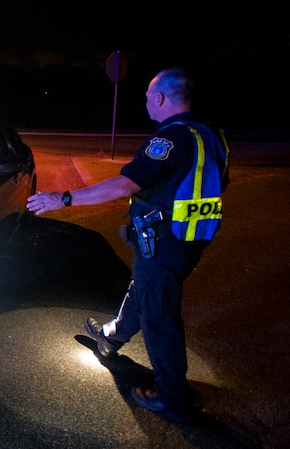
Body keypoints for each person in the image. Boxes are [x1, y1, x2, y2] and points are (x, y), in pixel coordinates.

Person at [26, 67, 229, 423]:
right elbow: (212, 185)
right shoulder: (212, 136)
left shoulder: (167, 140)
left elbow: (124, 185)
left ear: (162, 98)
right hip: (192, 240)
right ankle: (110, 338)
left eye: (150, 96)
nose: (147, 102)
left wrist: (65, 197)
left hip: (164, 243)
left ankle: (172, 397)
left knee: (159, 315)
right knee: (146, 291)